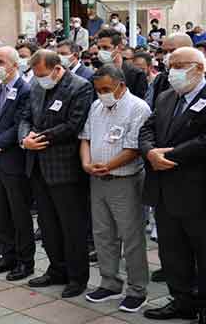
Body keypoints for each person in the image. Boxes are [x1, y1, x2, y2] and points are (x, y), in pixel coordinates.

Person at [139, 47, 206, 324]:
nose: (172, 72)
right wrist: (150, 152)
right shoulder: (165, 97)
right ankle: (181, 300)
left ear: (198, 67)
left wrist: (168, 155)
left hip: (200, 192)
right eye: (170, 65)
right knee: (172, 251)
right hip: (165, 190)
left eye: (179, 65)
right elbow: (147, 128)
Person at [19, 50, 93, 298]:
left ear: (57, 69)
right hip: (38, 165)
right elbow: (26, 116)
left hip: (65, 168)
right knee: (48, 224)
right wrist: (24, 137)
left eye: (42, 74)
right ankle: (56, 269)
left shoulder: (79, 87)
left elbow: (74, 124)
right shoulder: (37, 85)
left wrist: (40, 138)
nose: (39, 79)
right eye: (36, 75)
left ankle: (77, 276)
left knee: (72, 226)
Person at [80, 65, 151, 313]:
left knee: (131, 238)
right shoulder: (96, 106)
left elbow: (134, 148)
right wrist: (86, 163)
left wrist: (107, 166)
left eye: (106, 89)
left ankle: (137, 289)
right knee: (102, 234)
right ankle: (109, 282)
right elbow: (86, 138)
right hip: (97, 181)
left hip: (125, 181)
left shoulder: (138, 108)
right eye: (98, 90)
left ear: (121, 85)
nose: (102, 94)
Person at [0, 46, 35, 280]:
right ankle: (6, 255)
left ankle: (25, 261)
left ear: (14, 64)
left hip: (12, 161)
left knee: (19, 214)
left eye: (1, 62)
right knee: (0, 211)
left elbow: (20, 123)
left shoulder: (25, 90)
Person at [96, 28, 148, 99]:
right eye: (99, 48)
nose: (101, 51)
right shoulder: (97, 73)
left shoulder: (136, 75)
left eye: (105, 47)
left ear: (119, 48)